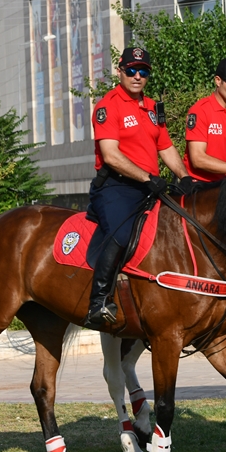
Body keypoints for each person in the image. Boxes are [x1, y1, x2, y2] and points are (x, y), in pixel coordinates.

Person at [84, 47, 190, 328]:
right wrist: (146, 177)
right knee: (121, 235)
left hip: (149, 187)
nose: (137, 76)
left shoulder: (154, 108)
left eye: (143, 71)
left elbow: (165, 146)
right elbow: (111, 155)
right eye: (131, 70)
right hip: (116, 187)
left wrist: (185, 176)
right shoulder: (107, 106)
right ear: (120, 71)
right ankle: (99, 301)